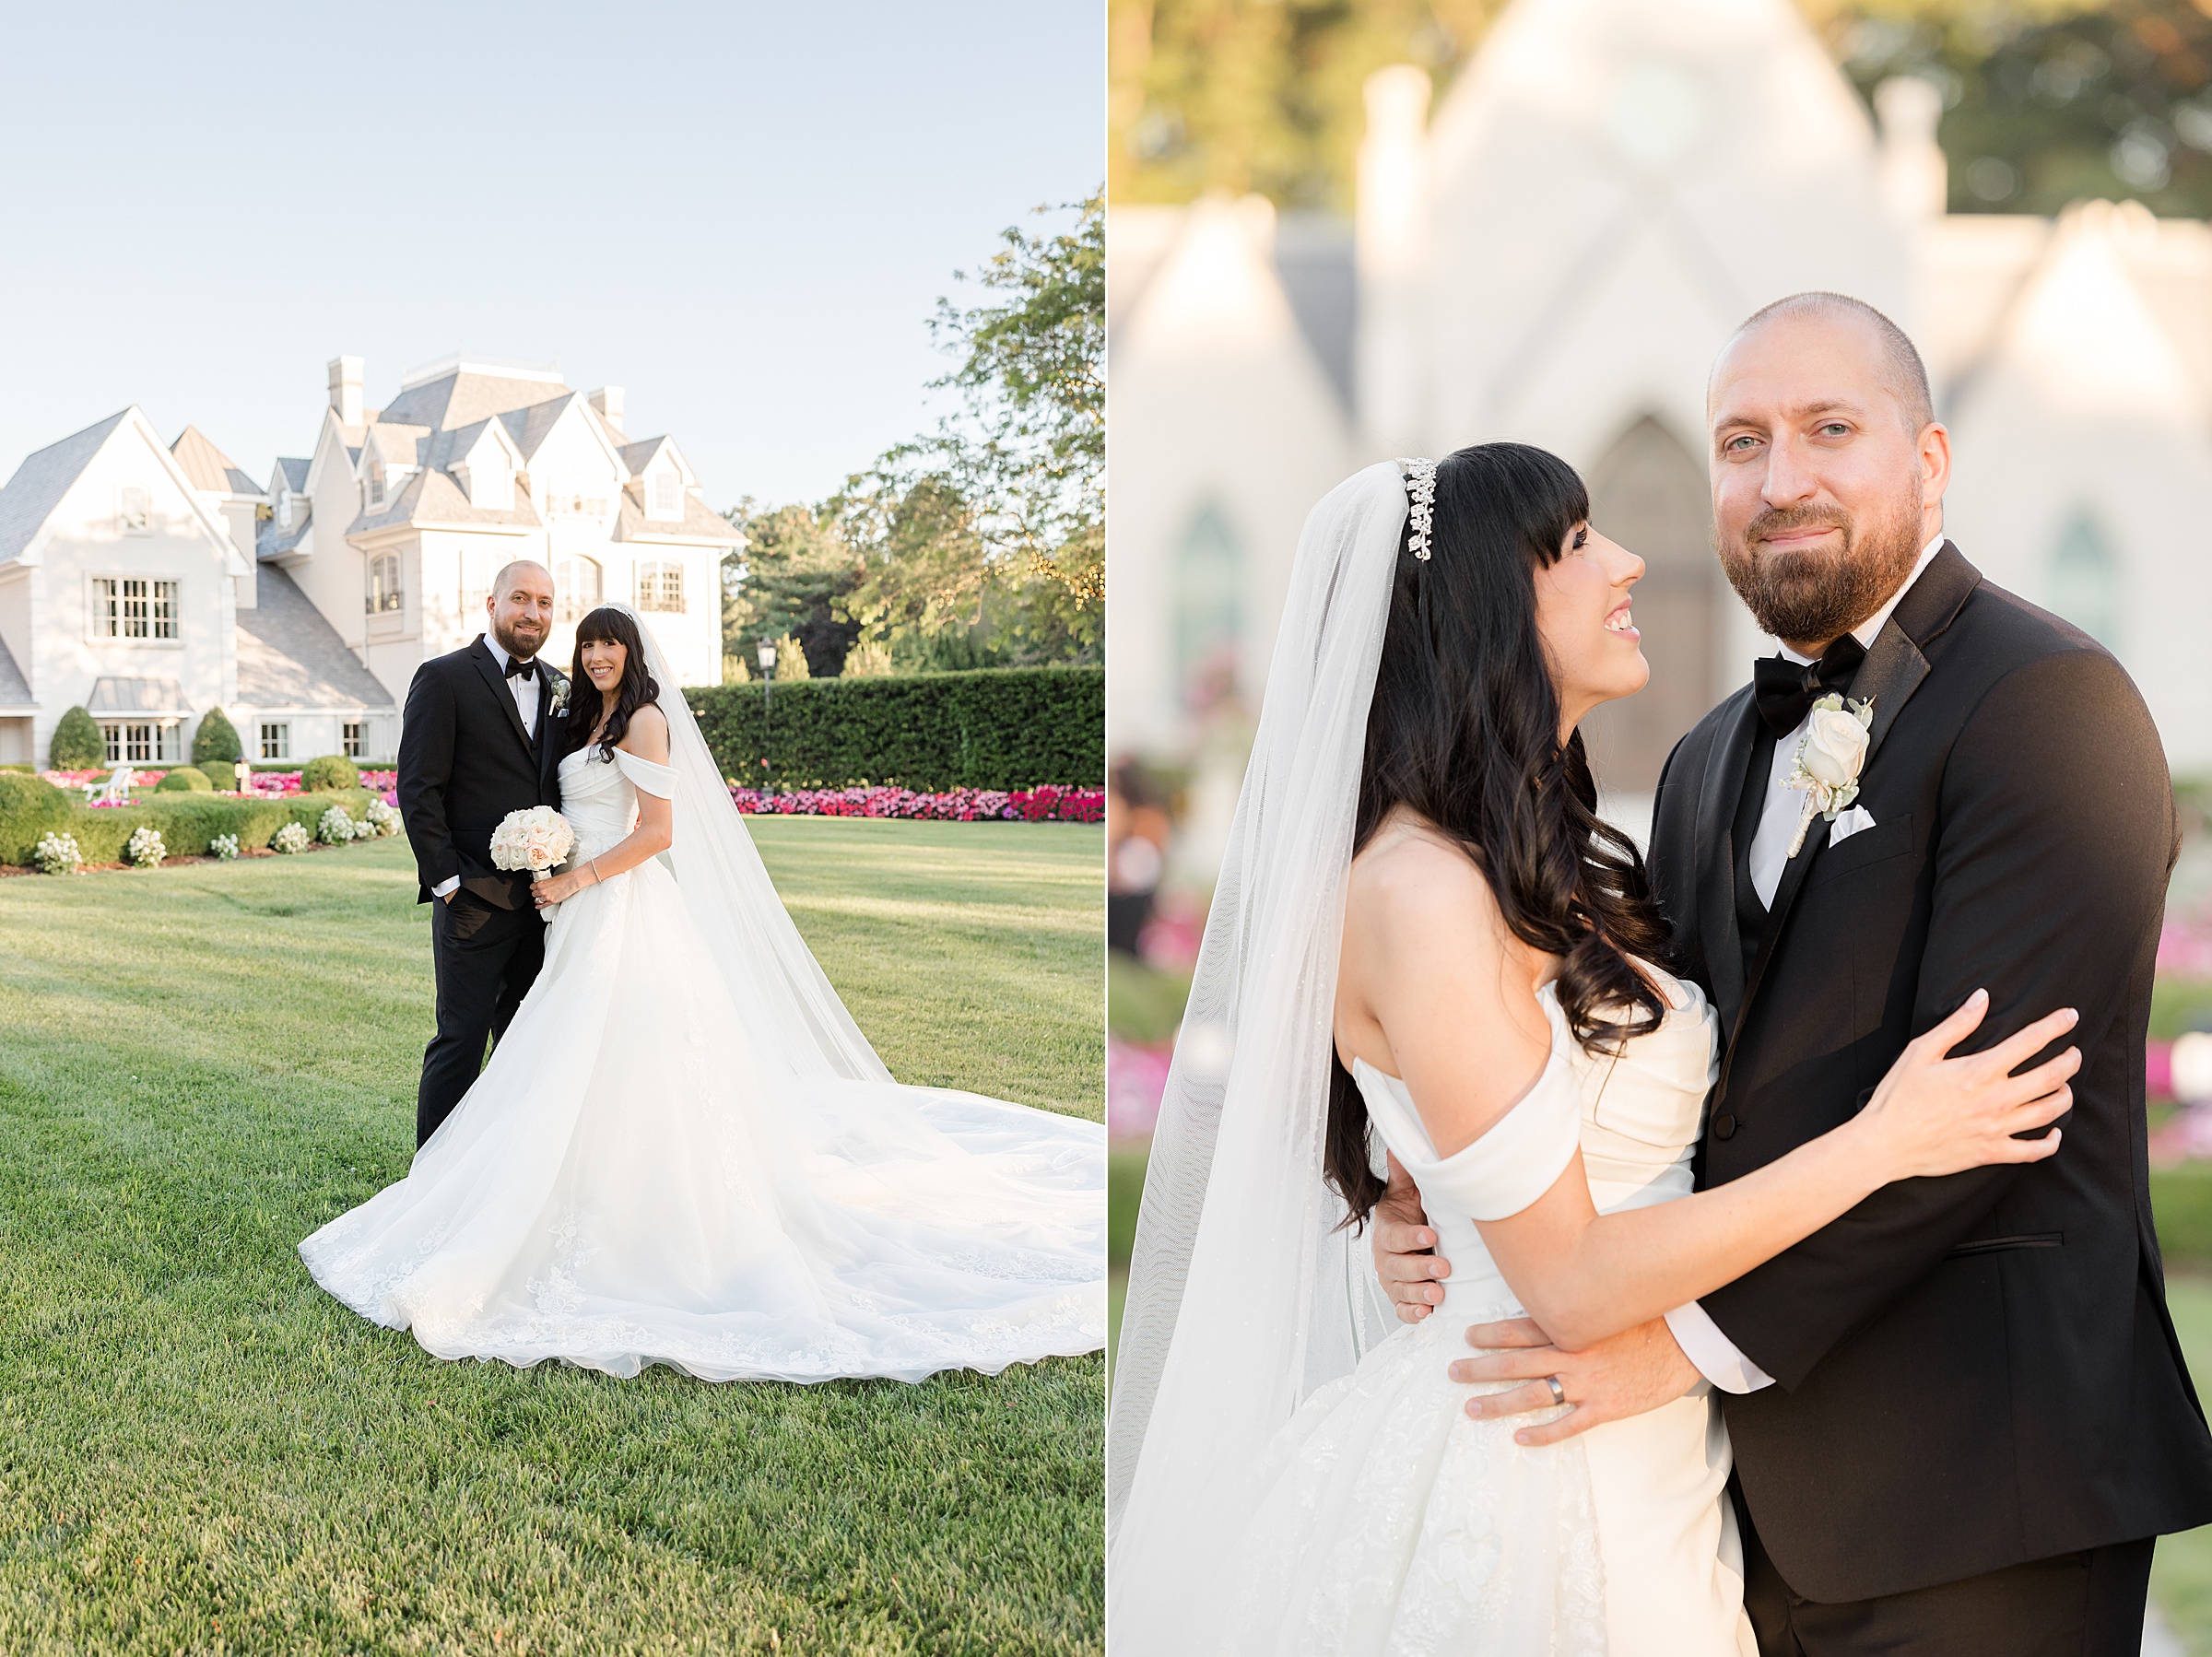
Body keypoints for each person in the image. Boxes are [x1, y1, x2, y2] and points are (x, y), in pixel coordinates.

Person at [1107, 440, 2078, 1654]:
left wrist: (1429, 1211)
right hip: (1536, 1470)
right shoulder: (1420, 891)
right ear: (1481, 610)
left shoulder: (1518, 859)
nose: (1626, 560)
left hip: (1639, 1456)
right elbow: (1566, 1280)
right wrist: (1882, 1143)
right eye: (1573, 544)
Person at [1368, 295, 2212, 1653]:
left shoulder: (2051, 703)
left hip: (1980, 1492)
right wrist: (1421, 1193)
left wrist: (1674, 1349)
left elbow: (1984, 1124)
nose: (1783, 477)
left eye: (1831, 429)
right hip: (1732, 1510)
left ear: (1930, 459)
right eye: (1743, 442)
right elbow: (1644, 1067)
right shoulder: (1703, 761)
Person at [304, 603, 1103, 1383]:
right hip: (565, 914)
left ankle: (641, 1210)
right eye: (587, 646)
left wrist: (576, 873)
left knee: (618, 1053)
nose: (595, 658)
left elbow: (659, 831)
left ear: (634, 653)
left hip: (618, 907)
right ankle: (502, 1185)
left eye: (608, 646)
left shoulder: (644, 719)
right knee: (548, 1054)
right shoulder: (574, 713)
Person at [395, 559, 568, 1146]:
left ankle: (505, 1172)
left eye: (544, 603)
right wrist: (447, 881)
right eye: (520, 599)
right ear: (490, 603)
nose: (533, 613)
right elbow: (418, 788)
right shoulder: (443, 677)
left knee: (528, 1043)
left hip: (546, 901)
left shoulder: (559, 686)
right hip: (471, 895)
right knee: (460, 1041)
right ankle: (432, 1179)